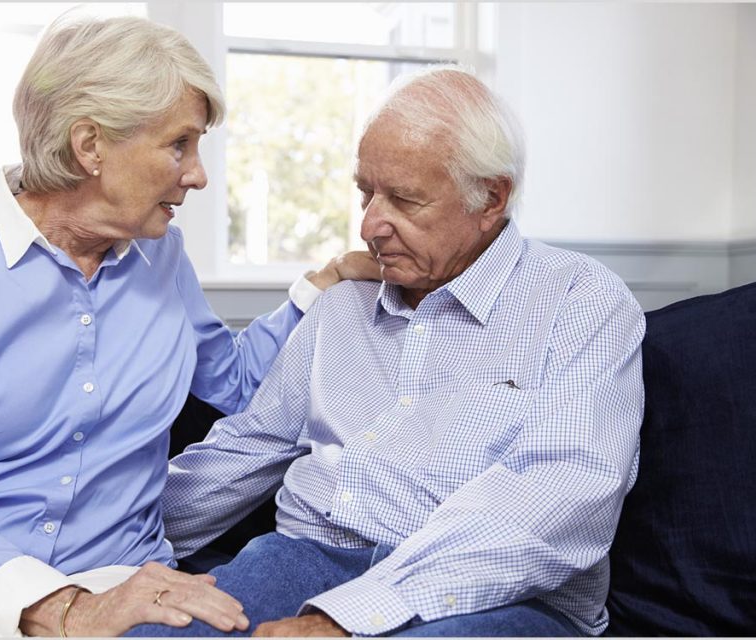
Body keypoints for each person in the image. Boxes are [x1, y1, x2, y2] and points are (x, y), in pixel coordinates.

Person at [0, 13, 378, 638]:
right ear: (90, 146)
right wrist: (65, 609)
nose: (198, 173)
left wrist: (320, 288)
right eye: (179, 144)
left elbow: (237, 383)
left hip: (115, 573)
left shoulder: (162, 256)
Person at [125, 66, 646, 638]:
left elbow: (563, 496)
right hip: (305, 556)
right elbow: (247, 451)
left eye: (403, 199)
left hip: (496, 592)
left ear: (491, 198)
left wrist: (347, 619)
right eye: (365, 192)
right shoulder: (342, 307)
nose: (371, 224)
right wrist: (99, 551)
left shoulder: (581, 301)